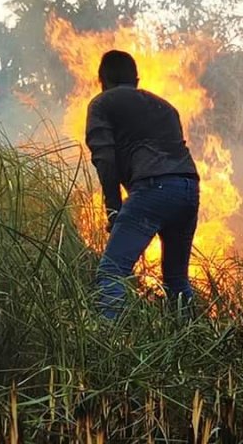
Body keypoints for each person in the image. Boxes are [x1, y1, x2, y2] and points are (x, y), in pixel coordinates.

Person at [85, 50, 200, 318]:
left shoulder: (102, 104)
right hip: (189, 189)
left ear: (102, 79)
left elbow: (105, 159)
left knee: (112, 272)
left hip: (153, 189)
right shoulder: (167, 107)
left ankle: (110, 349)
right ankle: (193, 341)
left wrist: (113, 208)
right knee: (176, 279)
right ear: (136, 78)